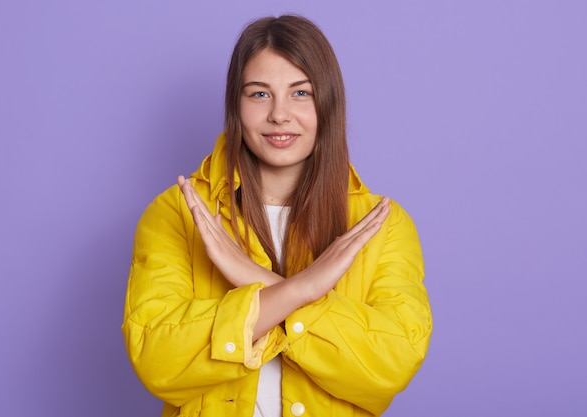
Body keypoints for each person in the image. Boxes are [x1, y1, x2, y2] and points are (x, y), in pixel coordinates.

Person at [122, 14, 432, 417]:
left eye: (300, 93)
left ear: (328, 102)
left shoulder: (380, 224)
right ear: (236, 103)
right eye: (259, 94)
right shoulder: (177, 214)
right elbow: (156, 358)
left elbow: (392, 364)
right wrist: (300, 289)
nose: (280, 115)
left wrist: (260, 284)